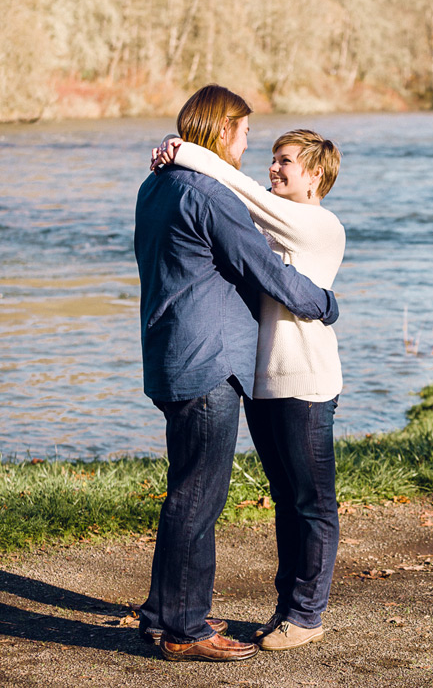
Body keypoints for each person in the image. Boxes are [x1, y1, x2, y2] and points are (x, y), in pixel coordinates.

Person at [134, 86, 339, 663]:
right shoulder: (209, 192)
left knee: (186, 491)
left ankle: (163, 613)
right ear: (223, 129)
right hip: (210, 359)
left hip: (170, 353)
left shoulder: (156, 184)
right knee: (198, 498)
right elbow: (263, 267)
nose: (249, 147)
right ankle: (185, 628)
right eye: (246, 133)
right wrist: (325, 304)